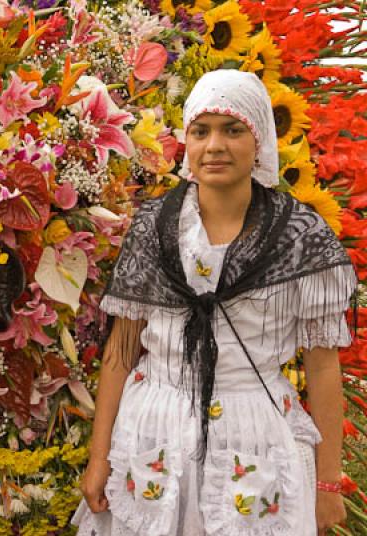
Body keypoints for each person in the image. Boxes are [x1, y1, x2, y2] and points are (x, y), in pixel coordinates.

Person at [73, 70, 356, 535]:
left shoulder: (299, 238)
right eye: (201, 131)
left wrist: (327, 486)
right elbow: (122, 351)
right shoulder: (156, 228)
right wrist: (99, 457)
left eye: (233, 129)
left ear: (260, 139)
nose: (215, 145)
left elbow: (324, 367)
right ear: (186, 142)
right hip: (154, 433)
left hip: (256, 433)